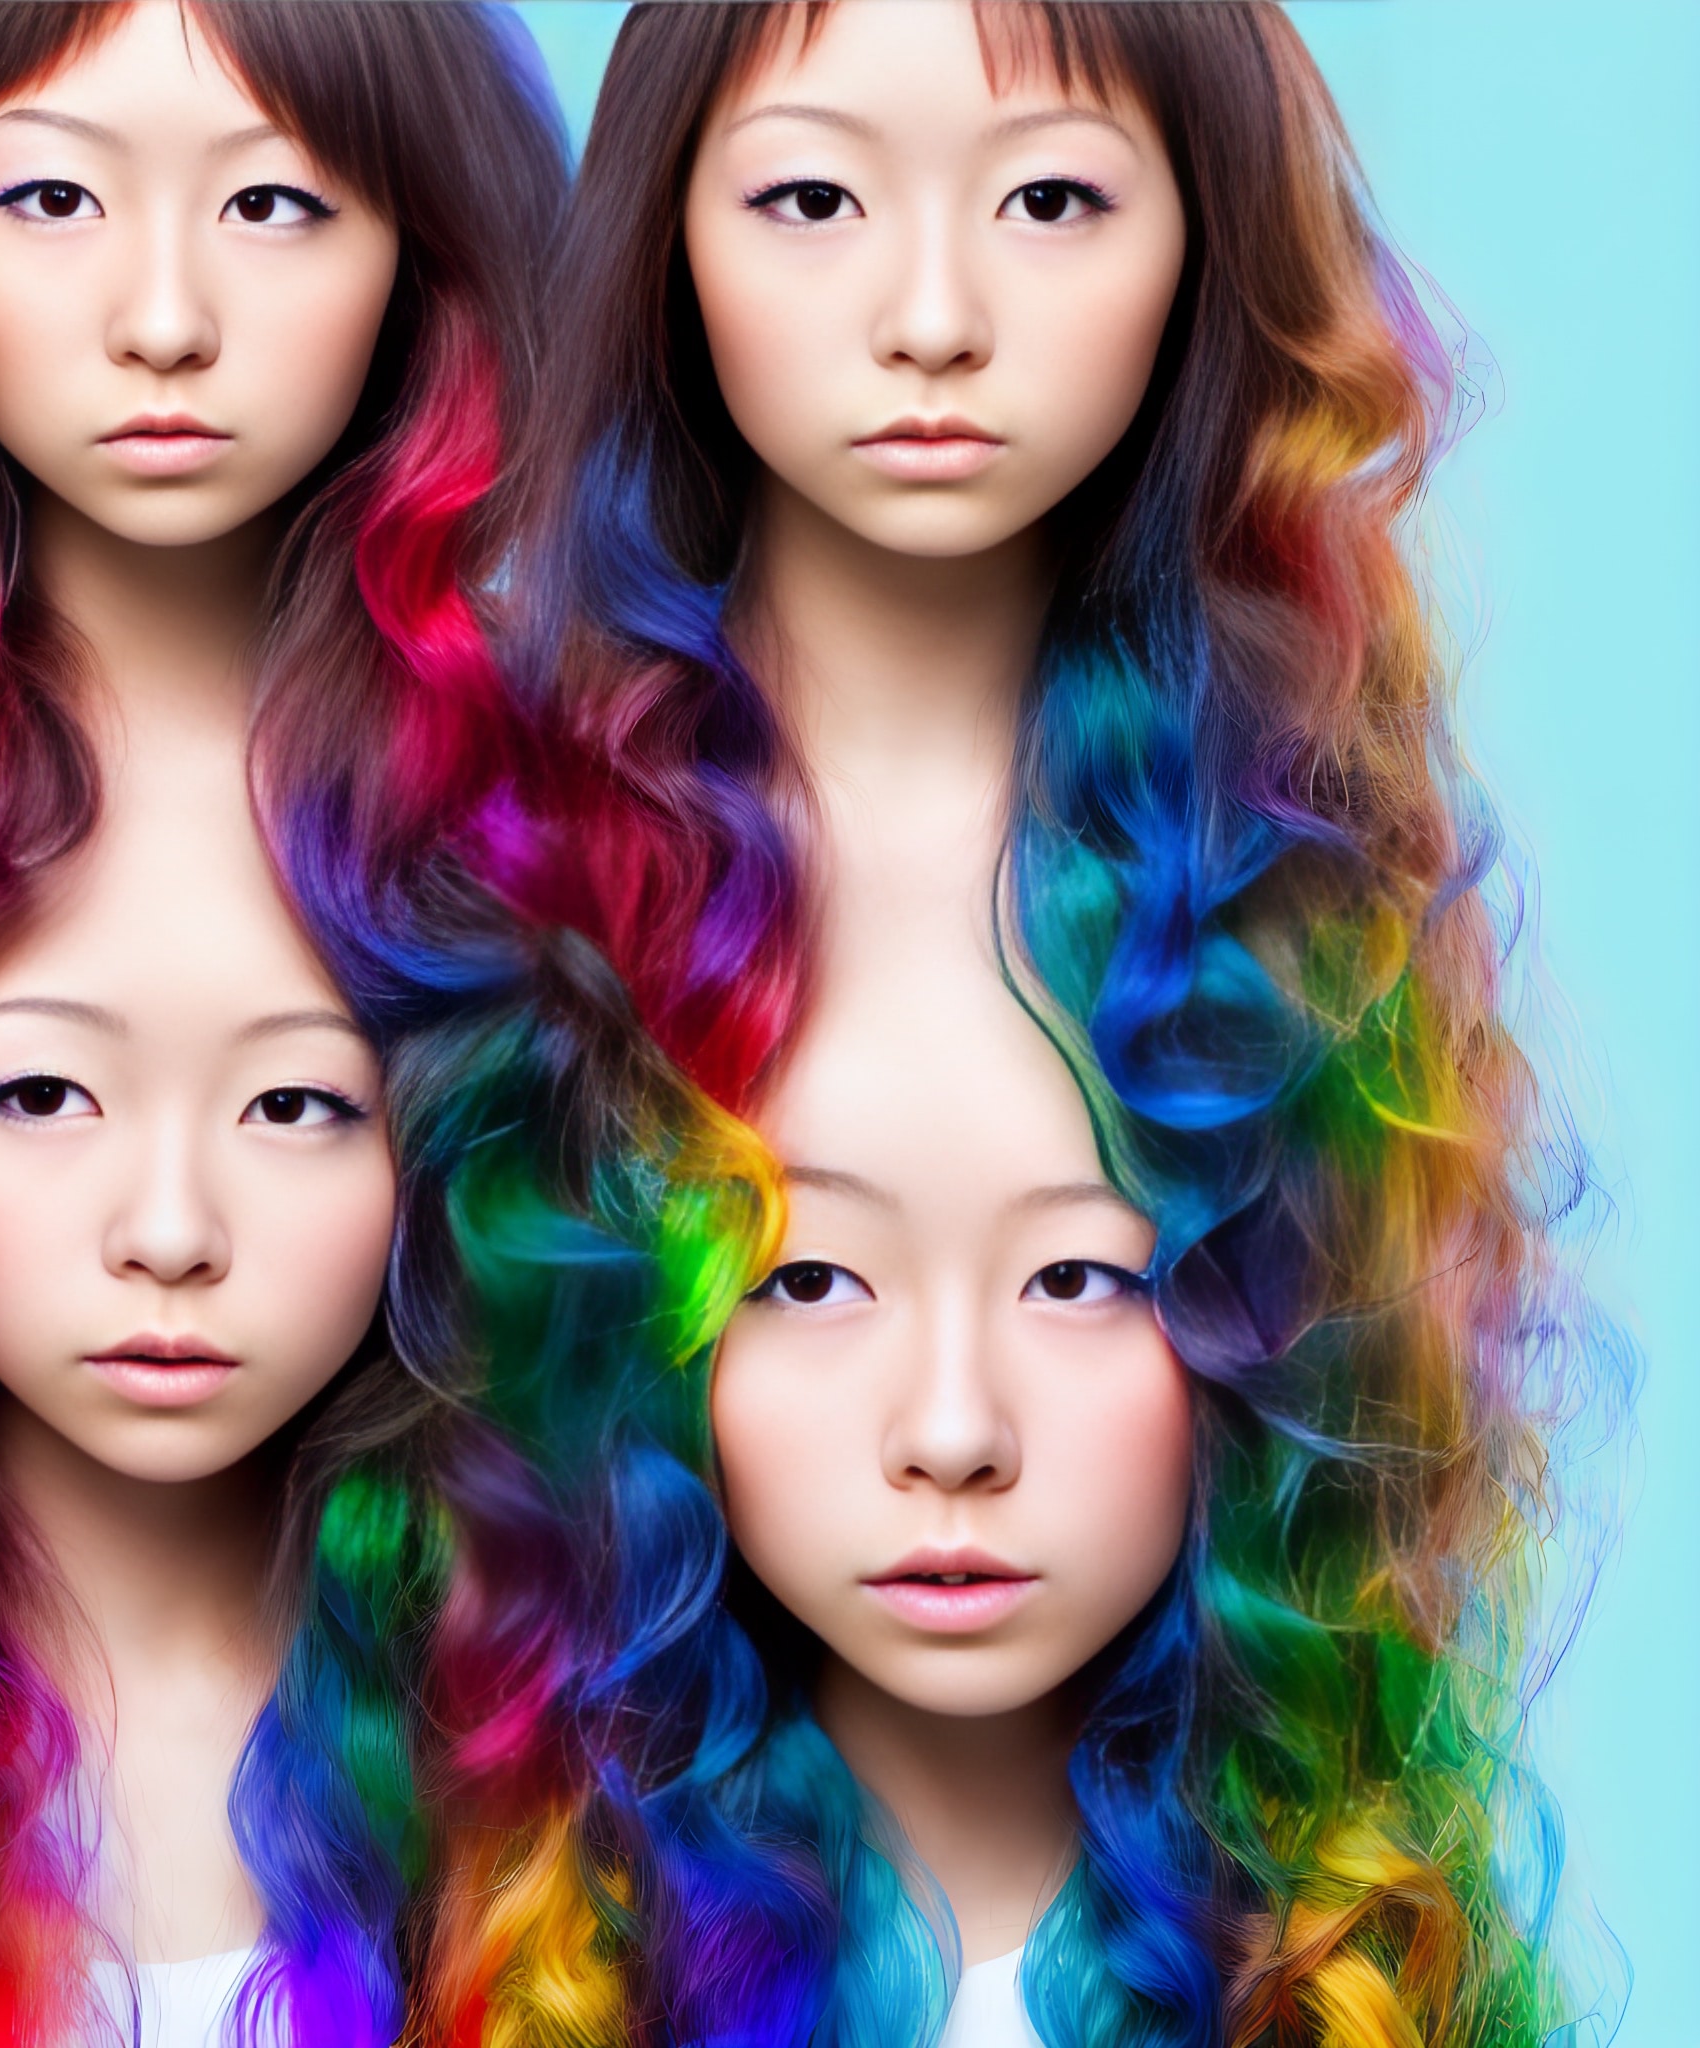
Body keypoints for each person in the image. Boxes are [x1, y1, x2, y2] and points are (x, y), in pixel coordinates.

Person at [421, 6, 1626, 2046]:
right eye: (810, 194)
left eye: (1051, 196)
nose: (929, 315)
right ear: (664, 249)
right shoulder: (488, 898)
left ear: (1196, 252)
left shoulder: (1303, 902)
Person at [0, 4, 564, 2041]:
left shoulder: (562, 808)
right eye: (54, 193)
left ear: (413, 256)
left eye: (271, 203)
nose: (165, 317)